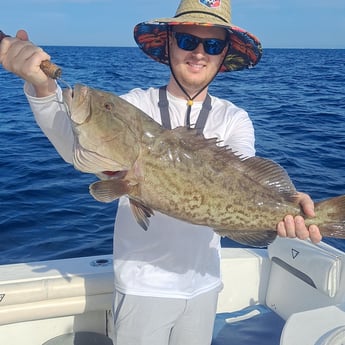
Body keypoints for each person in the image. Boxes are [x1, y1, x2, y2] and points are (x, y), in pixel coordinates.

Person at [0, 0, 322, 344]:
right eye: (187, 40)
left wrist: (288, 206)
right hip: (142, 286)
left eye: (212, 45)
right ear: (169, 43)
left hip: (205, 283)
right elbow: (79, 153)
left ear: (224, 54)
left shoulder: (234, 118)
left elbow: (242, 177)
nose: (199, 53)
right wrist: (44, 89)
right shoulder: (137, 104)